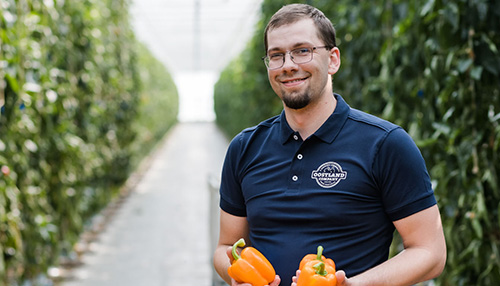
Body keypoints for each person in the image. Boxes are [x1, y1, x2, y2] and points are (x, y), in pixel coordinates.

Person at [213, 4, 446, 286]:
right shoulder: (244, 148)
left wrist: (355, 285)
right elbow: (225, 246)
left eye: (302, 50)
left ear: (333, 59)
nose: (288, 65)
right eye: (276, 55)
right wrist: (237, 276)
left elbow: (430, 252)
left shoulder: (385, 145)